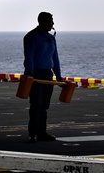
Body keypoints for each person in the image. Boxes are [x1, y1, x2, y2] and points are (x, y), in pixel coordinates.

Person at [23, 11, 61, 143]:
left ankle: (42, 132)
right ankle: (33, 133)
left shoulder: (51, 38)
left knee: (44, 105)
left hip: (47, 74)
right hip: (35, 74)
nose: (53, 23)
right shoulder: (31, 37)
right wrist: (30, 74)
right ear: (44, 22)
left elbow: (55, 59)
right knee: (36, 104)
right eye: (51, 21)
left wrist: (59, 76)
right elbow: (29, 57)